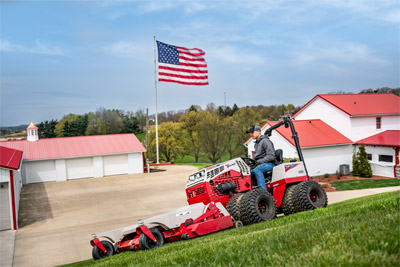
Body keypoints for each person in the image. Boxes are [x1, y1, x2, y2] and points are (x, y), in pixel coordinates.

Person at [246, 125, 276, 190]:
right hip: (261, 164)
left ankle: (262, 192)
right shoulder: (256, 144)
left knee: (258, 170)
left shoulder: (265, 141)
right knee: (247, 173)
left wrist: (258, 162)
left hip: (270, 164)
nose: (251, 134)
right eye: (250, 133)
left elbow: (271, 156)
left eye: (252, 132)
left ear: (259, 131)